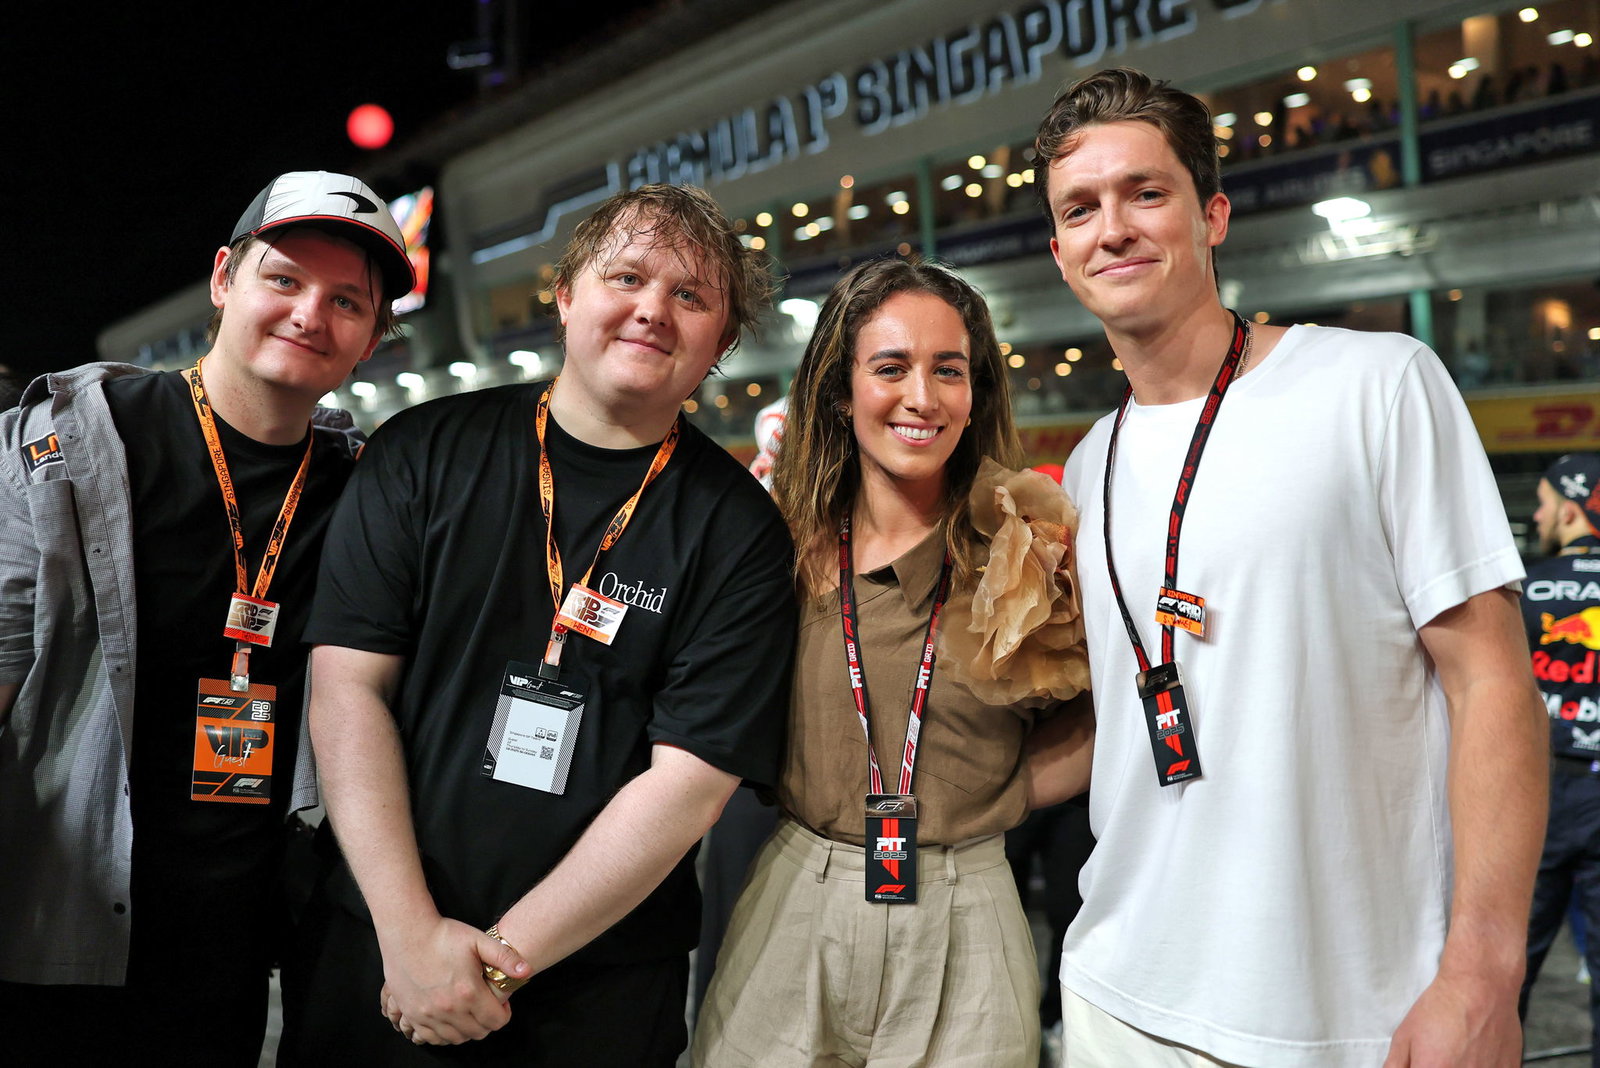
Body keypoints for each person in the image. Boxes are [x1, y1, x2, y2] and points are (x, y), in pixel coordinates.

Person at [1037, 68, 1546, 1066]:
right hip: (1117, 996)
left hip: (1353, 1011)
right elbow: (1120, 714)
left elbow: (1491, 681)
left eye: (1146, 193)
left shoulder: (1375, 384)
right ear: (1059, 253)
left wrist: (1483, 971)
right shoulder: (1089, 464)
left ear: (1211, 213)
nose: (1115, 228)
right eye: (1080, 209)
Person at [279, 183, 797, 1066]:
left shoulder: (740, 532)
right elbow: (347, 690)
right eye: (626, 276)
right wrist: (411, 939)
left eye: (691, 296)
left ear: (721, 341)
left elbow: (687, 787)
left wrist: (496, 969)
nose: (652, 311)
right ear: (565, 295)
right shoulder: (421, 451)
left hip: (596, 985)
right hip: (378, 952)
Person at [0, 170, 413, 1063]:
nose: (311, 313)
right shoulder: (67, 448)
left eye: (347, 301)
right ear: (225, 278)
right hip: (61, 928)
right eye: (285, 279)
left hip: (232, 943)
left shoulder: (368, 492)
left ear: (374, 338)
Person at [693, 257, 1094, 1067]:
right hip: (797, 889)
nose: (923, 397)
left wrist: (1001, 792)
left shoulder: (1025, 549)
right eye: (890, 368)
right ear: (840, 393)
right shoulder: (776, 551)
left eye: (949, 369)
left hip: (967, 903)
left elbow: (1102, 714)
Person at [1519, 452, 1600, 1064]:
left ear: (1570, 510)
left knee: (1506, 971)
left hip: (1540, 795)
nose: (1538, 514)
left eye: (1544, 502)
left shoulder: (1528, 588)